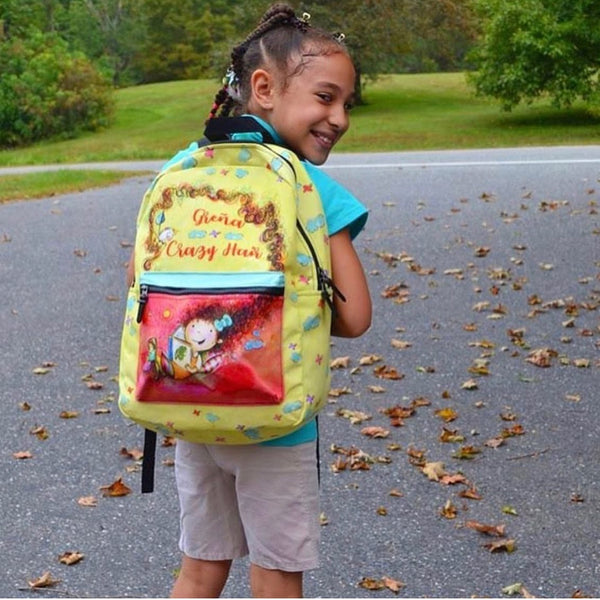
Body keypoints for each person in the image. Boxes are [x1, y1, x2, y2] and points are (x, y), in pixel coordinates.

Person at [130, 3, 372, 597]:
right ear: (263, 88)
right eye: (325, 97)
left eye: (346, 104)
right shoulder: (311, 186)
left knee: (199, 567)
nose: (339, 117)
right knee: (275, 573)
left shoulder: (183, 169)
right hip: (276, 421)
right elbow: (356, 316)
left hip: (190, 406)